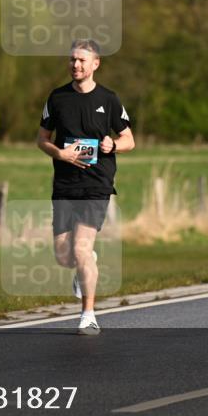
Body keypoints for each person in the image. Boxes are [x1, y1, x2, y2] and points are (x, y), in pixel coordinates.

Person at [36, 39, 135, 334]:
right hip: (65, 184)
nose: (75, 65)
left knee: (80, 248)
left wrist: (112, 143)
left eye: (81, 60)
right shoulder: (57, 98)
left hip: (96, 184)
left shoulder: (109, 99)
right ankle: (85, 264)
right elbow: (42, 139)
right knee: (64, 256)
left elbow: (129, 140)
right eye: (72, 60)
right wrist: (61, 153)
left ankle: (88, 315)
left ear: (95, 64)